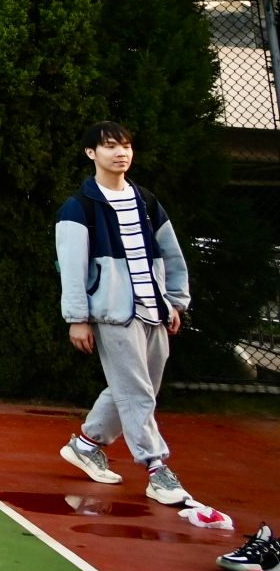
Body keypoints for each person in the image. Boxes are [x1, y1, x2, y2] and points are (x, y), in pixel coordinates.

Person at [56, 120, 193, 506]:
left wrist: (175, 301)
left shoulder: (146, 202)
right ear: (91, 153)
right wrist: (77, 318)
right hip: (112, 314)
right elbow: (72, 268)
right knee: (136, 391)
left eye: (126, 146)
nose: (121, 153)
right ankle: (156, 467)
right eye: (110, 146)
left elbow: (172, 254)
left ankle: (86, 444)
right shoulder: (78, 208)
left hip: (154, 311)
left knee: (137, 389)